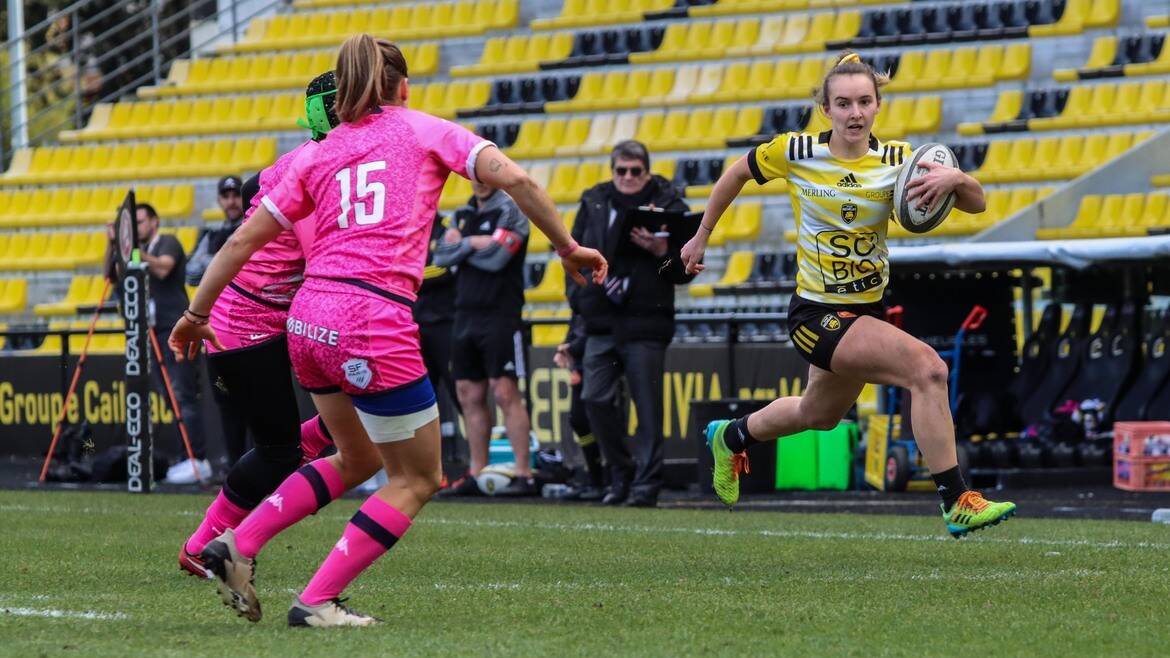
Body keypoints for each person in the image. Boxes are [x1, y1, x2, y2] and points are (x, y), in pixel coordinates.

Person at [170, 34, 606, 627]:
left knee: (357, 455)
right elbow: (519, 182)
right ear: (401, 87)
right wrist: (569, 246)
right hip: (371, 318)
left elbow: (242, 240)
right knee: (419, 476)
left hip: (306, 318)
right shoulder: (425, 129)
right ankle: (316, 600)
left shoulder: (314, 153)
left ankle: (237, 542)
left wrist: (196, 315)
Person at [680, 52, 1016, 538]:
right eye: (843, 103)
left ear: (878, 106)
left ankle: (730, 436)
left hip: (865, 310)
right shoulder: (795, 151)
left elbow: (977, 202)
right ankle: (956, 498)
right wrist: (701, 235)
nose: (854, 112)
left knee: (818, 414)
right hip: (816, 314)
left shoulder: (900, 161)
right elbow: (735, 173)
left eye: (864, 101)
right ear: (827, 109)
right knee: (929, 369)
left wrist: (957, 180)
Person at [176, 71, 342, 579]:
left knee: (341, 427)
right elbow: (320, 259)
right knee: (278, 451)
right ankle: (201, 545)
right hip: (246, 322)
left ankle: (230, 538)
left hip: (259, 318)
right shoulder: (316, 168)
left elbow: (256, 190)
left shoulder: (304, 159)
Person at [569, 139, 695, 508]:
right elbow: (570, 253)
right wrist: (579, 303)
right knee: (595, 398)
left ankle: (645, 485)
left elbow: (684, 272)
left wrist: (662, 253)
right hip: (600, 320)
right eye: (621, 170)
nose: (627, 177)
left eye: (635, 171)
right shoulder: (594, 200)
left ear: (647, 171)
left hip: (645, 320)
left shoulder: (670, 204)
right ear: (612, 171)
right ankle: (620, 475)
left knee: (647, 406)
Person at [434, 180, 535, 496]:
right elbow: (440, 256)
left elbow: (497, 259)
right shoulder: (462, 213)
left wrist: (461, 246)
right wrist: (475, 243)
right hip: (464, 313)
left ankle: (523, 473)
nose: (478, 180)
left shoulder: (511, 211)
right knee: (468, 393)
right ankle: (476, 472)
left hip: (500, 314)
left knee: (505, 392)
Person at [105, 202, 211, 483]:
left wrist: (135, 251)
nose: (136, 228)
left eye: (140, 223)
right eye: (133, 224)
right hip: (151, 331)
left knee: (183, 394)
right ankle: (183, 457)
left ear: (154, 221)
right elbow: (111, 275)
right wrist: (115, 244)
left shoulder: (168, 242)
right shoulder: (135, 251)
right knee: (169, 396)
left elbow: (164, 268)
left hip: (176, 330)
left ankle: (197, 458)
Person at [187, 174, 248, 466]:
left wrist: (218, 261)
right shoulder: (211, 235)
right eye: (226, 195)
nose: (232, 200)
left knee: (256, 404)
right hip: (220, 329)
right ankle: (237, 468)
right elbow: (191, 274)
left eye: (236, 194)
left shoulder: (251, 228)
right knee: (227, 403)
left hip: (249, 324)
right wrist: (226, 260)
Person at [415, 213, 464, 479]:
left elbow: (444, 268)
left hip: (446, 325)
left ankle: (475, 464)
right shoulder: (407, 228)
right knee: (423, 401)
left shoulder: (445, 230)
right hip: (415, 326)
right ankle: (432, 469)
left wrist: (405, 276)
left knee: (462, 394)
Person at [555, 314, 606, 501]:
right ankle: (594, 478)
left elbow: (598, 320)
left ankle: (609, 478)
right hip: (581, 358)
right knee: (578, 419)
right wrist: (566, 345)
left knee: (601, 417)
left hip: (600, 355)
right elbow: (578, 317)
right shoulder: (578, 289)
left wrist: (573, 347)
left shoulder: (595, 286)